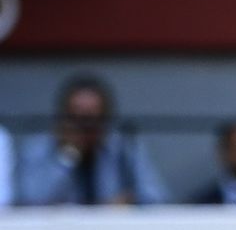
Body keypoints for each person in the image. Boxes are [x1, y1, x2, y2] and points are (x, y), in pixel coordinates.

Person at [15, 74, 167, 207]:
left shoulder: (123, 147)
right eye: (77, 118)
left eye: (92, 118)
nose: (85, 127)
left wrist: (129, 203)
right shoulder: (40, 148)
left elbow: (156, 198)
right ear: (63, 118)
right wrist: (68, 155)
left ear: (106, 119)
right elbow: (30, 201)